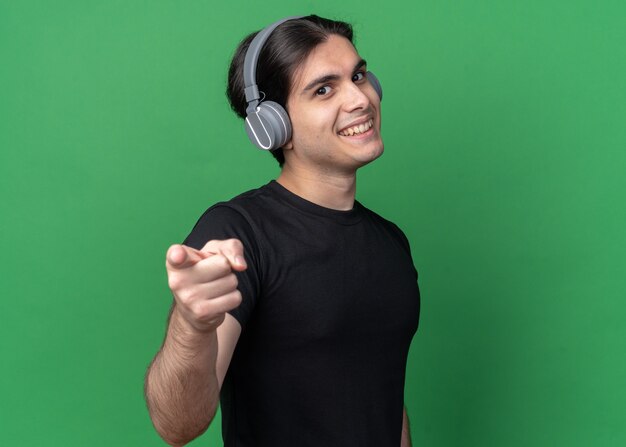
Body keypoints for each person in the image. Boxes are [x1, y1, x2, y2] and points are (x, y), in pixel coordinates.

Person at [144, 15, 420, 447]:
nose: (360, 98)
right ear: (273, 126)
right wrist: (191, 325)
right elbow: (176, 425)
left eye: (359, 76)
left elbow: (381, 398)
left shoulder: (390, 243)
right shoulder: (237, 233)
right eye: (324, 89)